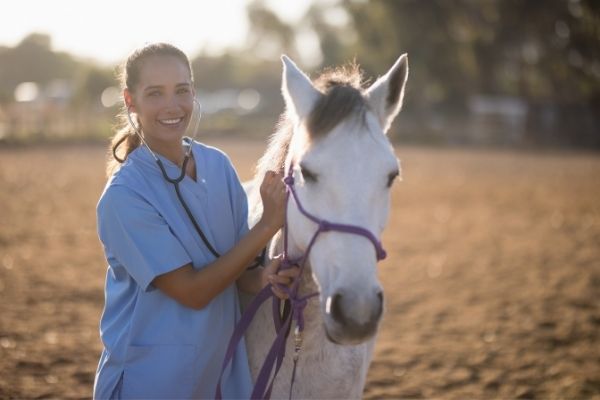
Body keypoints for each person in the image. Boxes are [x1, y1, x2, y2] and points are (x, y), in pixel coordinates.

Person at [93, 43, 297, 399]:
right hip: (151, 381)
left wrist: (263, 277)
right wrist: (268, 224)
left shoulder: (217, 166)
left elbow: (234, 273)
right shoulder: (124, 197)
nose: (172, 106)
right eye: (155, 93)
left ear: (194, 92)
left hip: (219, 376)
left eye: (182, 90)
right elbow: (194, 291)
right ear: (130, 101)